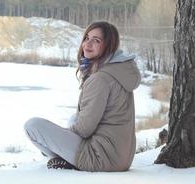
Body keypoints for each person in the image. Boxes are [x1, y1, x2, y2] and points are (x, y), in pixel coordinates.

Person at [24, 21, 141, 172]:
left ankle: (63, 159)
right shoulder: (118, 70)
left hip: (100, 158)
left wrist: (54, 140)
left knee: (32, 126)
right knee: (74, 118)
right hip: (121, 157)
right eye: (87, 38)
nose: (88, 44)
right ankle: (62, 156)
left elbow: (85, 129)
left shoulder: (100, 78)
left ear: (109, 46)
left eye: (96, 40)